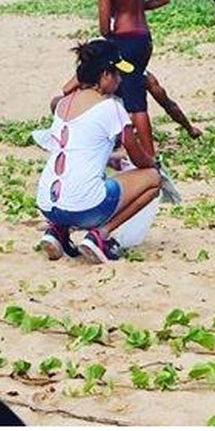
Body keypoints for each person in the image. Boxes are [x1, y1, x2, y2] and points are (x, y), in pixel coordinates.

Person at [37, 39, 163, 264]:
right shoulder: (111, 107)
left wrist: (112, 159)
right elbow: (138, 157)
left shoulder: (63, 104)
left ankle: (57, 231)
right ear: (105, 75)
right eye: (117, 74)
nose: (120, 79)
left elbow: (81, 148)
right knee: (153, 180)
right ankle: (100, 236)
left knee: (84, 182)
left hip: (48, 203)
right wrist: (152, 163)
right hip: (85, 208)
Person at [79, 0, 170, 158]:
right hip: (143, 40)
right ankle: (132, 142)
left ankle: (148, 153)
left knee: (134, 97)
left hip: (123, 41)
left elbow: (103, 27)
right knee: (134, 84)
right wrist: (139, 6)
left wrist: (120, 17)